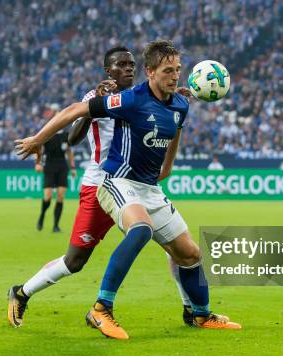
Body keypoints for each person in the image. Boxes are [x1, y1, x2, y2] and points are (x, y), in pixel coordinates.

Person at [15, 40, 241, 340]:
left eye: (177, 70)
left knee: (190, 254)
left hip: (148, 187)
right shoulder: (130, 99)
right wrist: (38, 139)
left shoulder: (180, 102)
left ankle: (199, 314)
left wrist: (168, 167)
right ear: (150, 72)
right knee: (134, 233)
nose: (175, 77)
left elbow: (175, 129)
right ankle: (100, 308)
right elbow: (74, 113)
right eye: (167, 71)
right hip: (115, 182)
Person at [34, 127, 76, 232]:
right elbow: (38, 149)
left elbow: (69, 152)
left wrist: (73, 167)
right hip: (49, 166)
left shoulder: (66, 135)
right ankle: (42, 215)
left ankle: (56, 226)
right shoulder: (47, 133)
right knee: (47, 196)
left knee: (60, 196)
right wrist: (38, 163)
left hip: (62, 166)